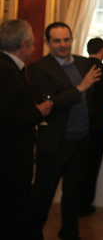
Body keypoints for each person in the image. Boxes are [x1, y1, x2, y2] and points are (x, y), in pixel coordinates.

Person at [27, 22, 102, 240]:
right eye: (57, 41)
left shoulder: (82, 63)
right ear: (48, 42)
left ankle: (70, 233)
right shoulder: (39, 68)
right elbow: (46, 103)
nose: (63, 45)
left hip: (81, 139)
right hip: (55, 141)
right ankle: (32, 233)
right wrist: (80, 88)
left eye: (66, 39)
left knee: (73, 193)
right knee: (43, 193)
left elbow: (92, 98)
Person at [0, 20, 53, 240]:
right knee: (13, 212)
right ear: (23, 44)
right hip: (9, 158)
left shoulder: (10, 66)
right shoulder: (5, 69)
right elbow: (6, 116)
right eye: (32, 41)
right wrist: (38, 111)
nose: (34, 45)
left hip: (12, 157)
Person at [79, 37, 103, 216]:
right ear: (102, 51)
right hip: (101, 121)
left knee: (78, 164)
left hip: (80, 119)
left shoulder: (79, 66)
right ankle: (85, 203)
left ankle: (73, 203)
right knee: (93, 164)